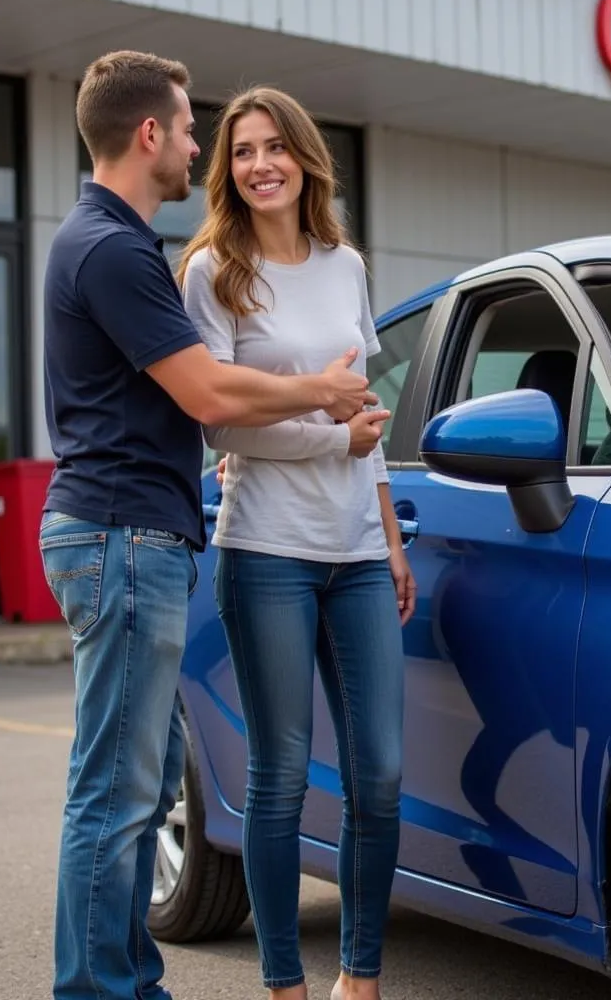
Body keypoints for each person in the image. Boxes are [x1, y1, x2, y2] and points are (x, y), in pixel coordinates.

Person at [40, 51, 376, 1000]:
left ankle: (124, 981)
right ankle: (103, 989)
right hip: (122, 536)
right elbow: (208, 390)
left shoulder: (103, 242)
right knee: (116, 796)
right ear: (149, 135)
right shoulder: (112, 250)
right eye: (191, 130)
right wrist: (323, 391)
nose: (199, 146)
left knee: (131, 791)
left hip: (120, 535)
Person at [177, 86, 416, 1000]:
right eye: (241, 151)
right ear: (225, 170)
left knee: (380, 777)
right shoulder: (214, 273)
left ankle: (360, 978)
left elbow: (370, 415)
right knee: (280, 776)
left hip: (356, 552)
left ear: (305, 157)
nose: (260, 164)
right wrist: (329, 431)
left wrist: (390, 536)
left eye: (275, 146)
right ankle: (285, 984)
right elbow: (221, 424)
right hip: (266, 550)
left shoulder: (346, 264)